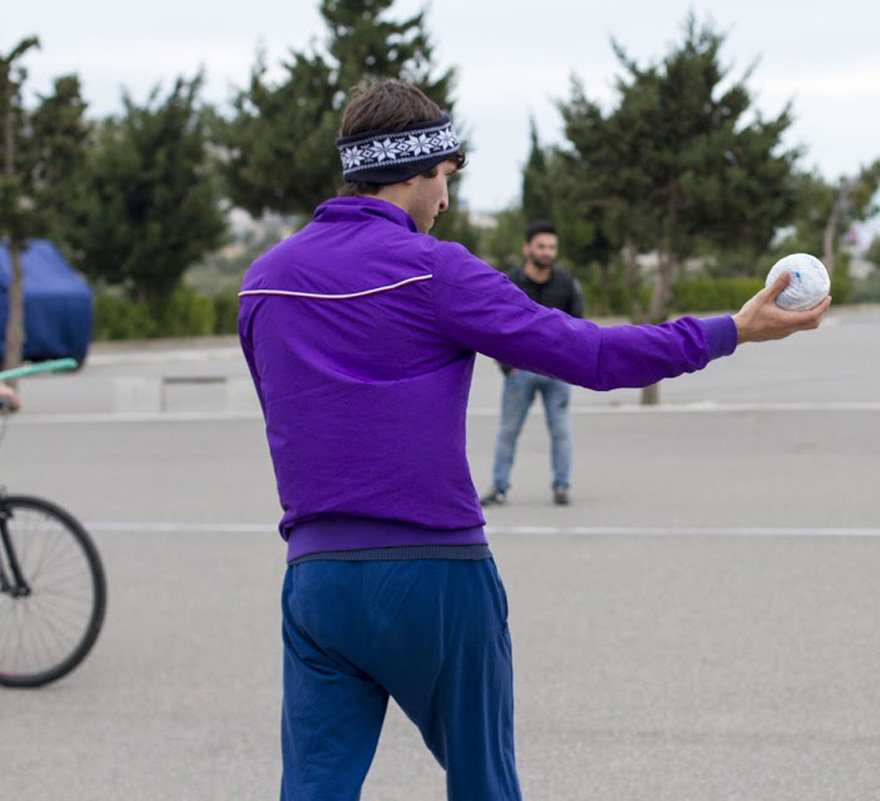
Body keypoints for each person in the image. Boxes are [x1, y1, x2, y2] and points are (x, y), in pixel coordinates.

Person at [238, 79, 830, 801]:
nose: (447, 201)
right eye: (445, 179)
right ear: (416, 172)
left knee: (313, 791)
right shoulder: (436, 269)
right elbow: (595, 356)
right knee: (485, 784)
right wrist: (731, 330)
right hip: (434, 573)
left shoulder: (262, 283)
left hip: (317, 580)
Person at [480, 220, 584, 507]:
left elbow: (580, 326)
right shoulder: (509, 282)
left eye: (552, 247)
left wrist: (571, 367)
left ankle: (562, 486)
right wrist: (506, 366)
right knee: (508, 431)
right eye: (541, 246)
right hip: (520, 372)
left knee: (561, 430)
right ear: (527, 248)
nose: (547, 252)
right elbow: (493, 325)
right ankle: (499, 487)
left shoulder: (566, 284)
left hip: (557, 372)